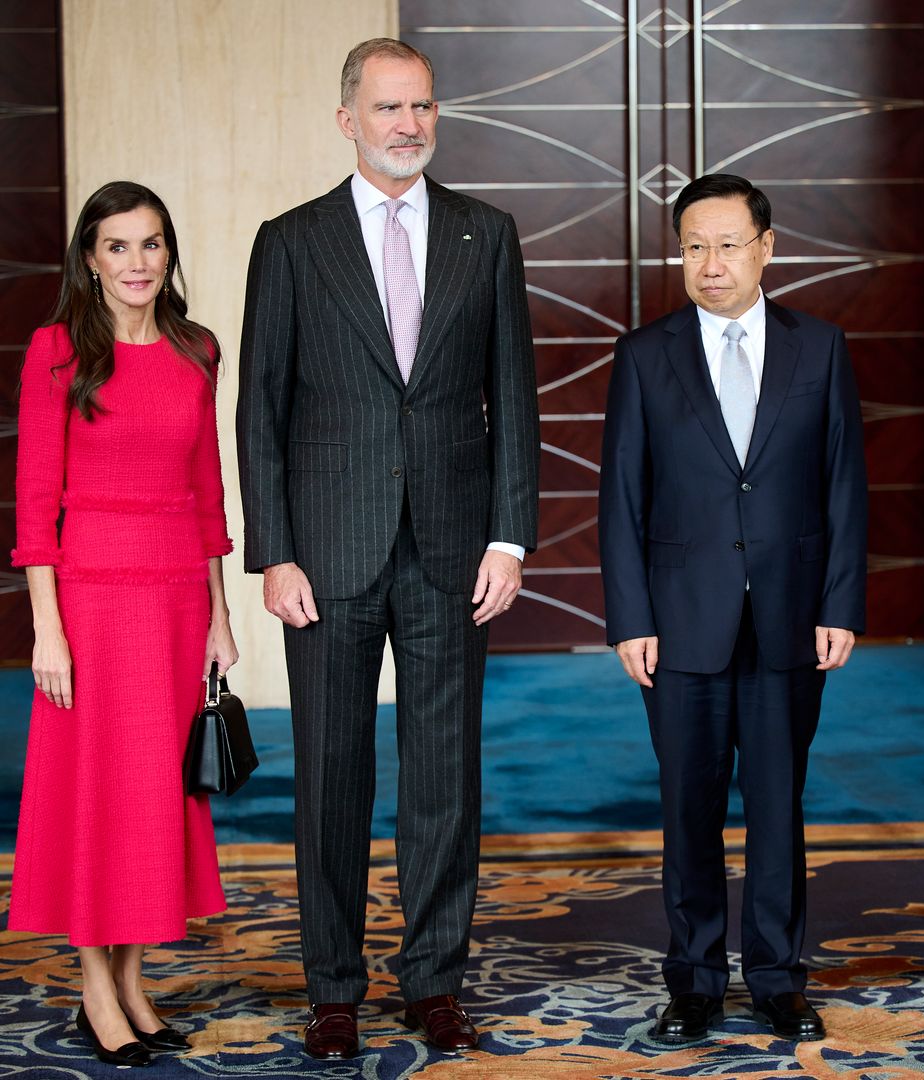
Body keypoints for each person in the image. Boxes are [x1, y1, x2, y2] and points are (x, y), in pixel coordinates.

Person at [236, 38, 539, 1061]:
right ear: (347, 120)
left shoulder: (484, 235)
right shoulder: (291, 241)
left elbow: (515, 399)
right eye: (388, 107)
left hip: (456, 554)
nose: (408, 124)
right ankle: (332, 986)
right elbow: (259, 410)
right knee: (331, 775)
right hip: (325, 557)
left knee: (444, 777)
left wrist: (510, 535)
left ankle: (434, 980)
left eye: (422, 106)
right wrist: (273, 550)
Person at [599, 173, 867, 1045]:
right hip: (680, 619)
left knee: (779, 804)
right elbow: (622, 500)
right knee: (690, 807)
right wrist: (631, 617)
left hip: (792, 611)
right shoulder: (645, 354)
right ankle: (696, 982)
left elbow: (842, 487)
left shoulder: (819, 347)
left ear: (766, 247)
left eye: (726, 244)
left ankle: (781, 978)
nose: (709, 264)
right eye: (692, 247)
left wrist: (841, 602)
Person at [8, 180, 239, 1067]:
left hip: (179, 598)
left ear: (169, 253)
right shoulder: (58, 352)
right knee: (97, 794)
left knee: (155, 792)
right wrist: (48, 626)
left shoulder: (197, 348)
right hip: (94, 605)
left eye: (151, 245)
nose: (137, 263)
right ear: (90, 259)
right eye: (117, 247)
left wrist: (219, 615)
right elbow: (35, 501)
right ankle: (94, 989)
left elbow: (208, 491)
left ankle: (134, 979)